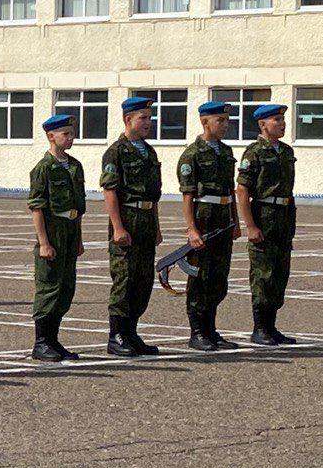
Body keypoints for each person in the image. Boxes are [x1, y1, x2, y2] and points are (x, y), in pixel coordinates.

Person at [101, 96, 164, 357]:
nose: (149, 122)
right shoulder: (116, 152)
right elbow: (110, 191)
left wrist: (157, 226)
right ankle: (116, 336)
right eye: (143, 118)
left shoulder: (148, 151)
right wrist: (117, 227)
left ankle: (131, 332)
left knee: (142, 280)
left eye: (150, 118)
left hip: (146, 221)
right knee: (125, 279)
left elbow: (154, 194)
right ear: (128, 120)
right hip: (127, 219)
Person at [177, 101, 242, 351]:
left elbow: (230, 190)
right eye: (220, 121)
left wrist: (235, 221)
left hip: (223, 217)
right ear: (205, 122)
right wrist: (191, 229)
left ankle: (211, 330)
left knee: (218, 277)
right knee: (200, 276)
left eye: (227, 121)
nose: (225, 125)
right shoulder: (192, 154)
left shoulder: (225, 152)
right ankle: (197, 332)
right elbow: (187, 195)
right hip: (204, 217)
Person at [237, 103, 297, 346]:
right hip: (264, 214)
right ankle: (260, 327)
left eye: (282, 120)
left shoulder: (284, 151)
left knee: (280, 273)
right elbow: (242, 191)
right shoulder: (254, 153)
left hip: (283, 217)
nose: (282, 124)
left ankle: (271, 326)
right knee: (263, 274)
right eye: (276, 120)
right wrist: (250, 225)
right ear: (263, 125)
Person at [28, 113, 85, 362]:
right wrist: (44, 242)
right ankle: (41, 343)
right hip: (52, 231)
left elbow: (78, 206)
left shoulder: (74, 166)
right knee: (49, 288)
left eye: (72, 133)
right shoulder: (43, 169)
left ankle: (53, 340)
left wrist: (79, 238)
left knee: (65, 288)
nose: (70, 138)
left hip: (70, 230)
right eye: (65, 134)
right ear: (51, 137)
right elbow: (37, 207)